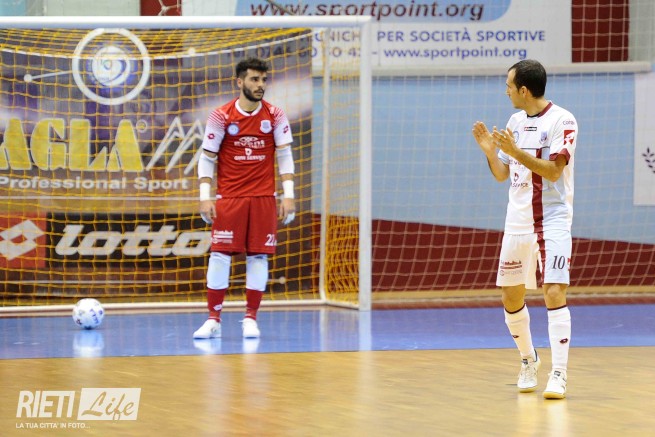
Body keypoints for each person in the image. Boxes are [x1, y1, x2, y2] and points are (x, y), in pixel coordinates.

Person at [472, 59, 577, 399]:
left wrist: (515, 151)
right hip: (517, 222)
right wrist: (491, 153)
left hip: (552, 220)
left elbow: (554, 171)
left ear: (524, 90)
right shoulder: (515, 121)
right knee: (510, 296)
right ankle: (528, 360)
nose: (506, 91)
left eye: (509, 86)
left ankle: (559, 373)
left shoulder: (563, 120)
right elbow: (503, 174)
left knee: (554, 291)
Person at [193, 57, 296, 340]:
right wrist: (205, 197)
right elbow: (207, 157)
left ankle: (251, 318)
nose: (260, 85)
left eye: (263, 80)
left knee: (258, 257)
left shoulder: (275, 115)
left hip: (263, 198)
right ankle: (213, 319)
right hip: (230, 197)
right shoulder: (221, 115)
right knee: (219, 256)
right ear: (240, 82)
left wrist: (289, 195)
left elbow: (285, 155)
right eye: (254, 79)